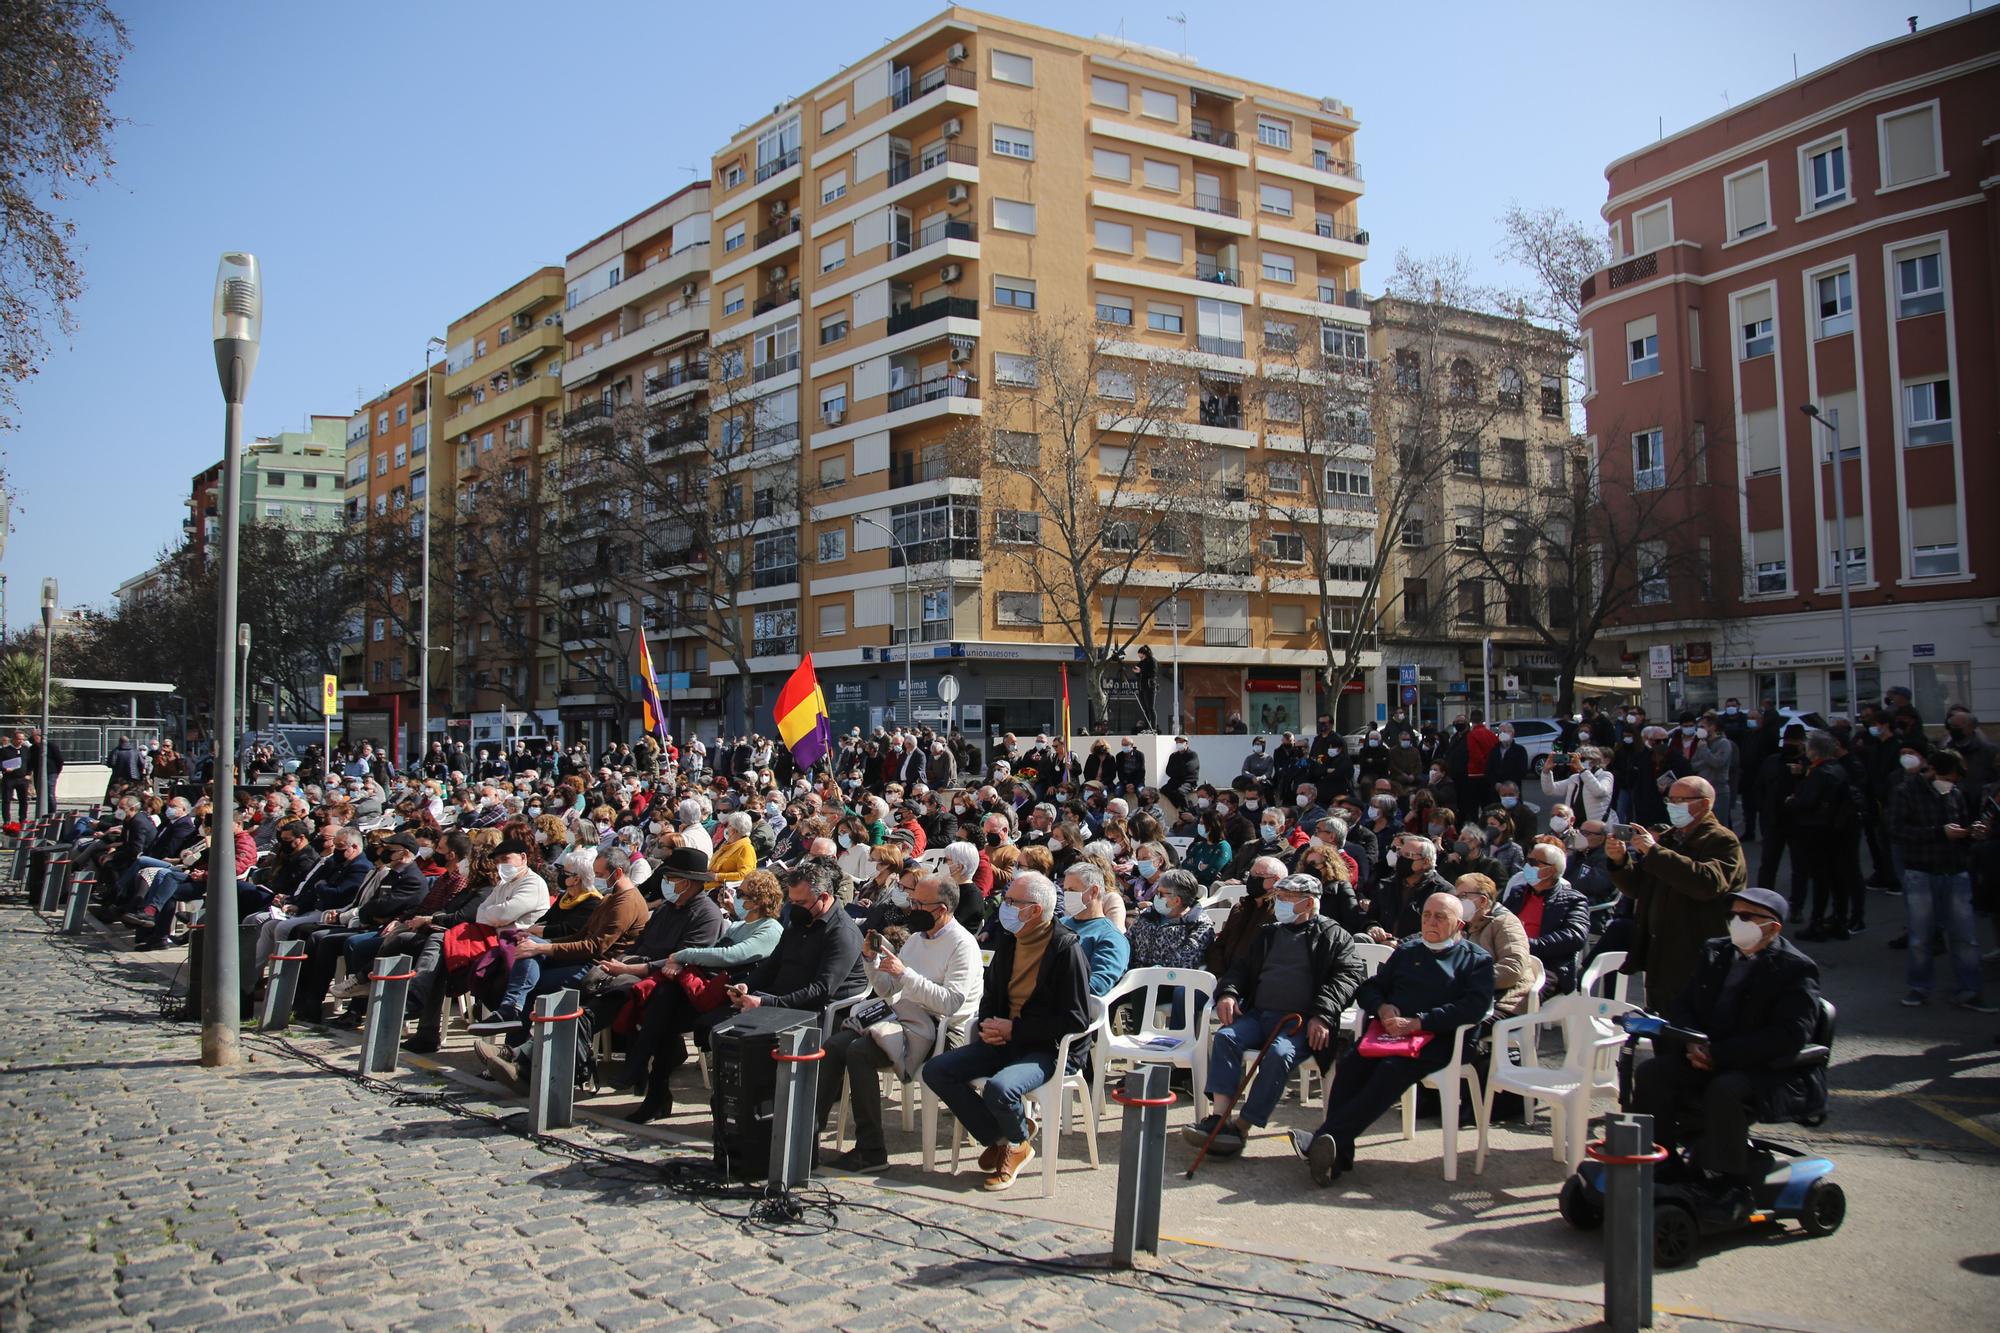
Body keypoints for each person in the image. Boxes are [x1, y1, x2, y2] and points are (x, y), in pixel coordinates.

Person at [1629, 888, 1825, 1205]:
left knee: (1726, 1089)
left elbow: (1790, 1035)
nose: (1736, 922)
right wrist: (1692, 1043)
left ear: (1772, 927)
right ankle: (1662, 1164)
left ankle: (1727, 1182)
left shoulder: (1795, 968)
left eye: (1746, 917)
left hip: (1762, 1067)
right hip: (1708, 1054)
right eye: (1733, 915)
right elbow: (1685, 1004)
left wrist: (1720, 1054)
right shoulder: (1715, 951)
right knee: (1653, 1073)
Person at [1306, 891, 1495, 1185]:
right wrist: (1382, 1008)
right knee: (1351, 1065)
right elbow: (1370, 987)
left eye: (1440, 917)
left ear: (1459, 925)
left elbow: (1474, 1007)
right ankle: (1335, 1156)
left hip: (1441, 1039)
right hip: (1392, 1033)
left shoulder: (1476, 960)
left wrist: (1420, 1022)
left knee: (1391, 1071)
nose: (1431, 922)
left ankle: (1324, 1140)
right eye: (1426, 916)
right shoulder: (1408, 951)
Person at [922, 872, 1090, 1192]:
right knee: (937, 1070)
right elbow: (992, 994)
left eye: (1012, 902)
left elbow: (1076, 1020)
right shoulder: (1011, 941)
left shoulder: (1066, 950)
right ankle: (1004, 1138)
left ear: (1035, 910)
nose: (1004, 907)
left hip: (1048, 1050)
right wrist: (989, 1025)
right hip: (1004, 1040)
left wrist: (1016, 1030)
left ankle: (1015, 1144)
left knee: (999, 1090)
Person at [1184, 873, 1364, 1156]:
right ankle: (1219, 1117)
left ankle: (1240, 1127)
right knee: (1226, 1038)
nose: (1279, 903)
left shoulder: (1333, 936)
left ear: (1308, 903)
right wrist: (1228, 993)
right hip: (1259, 1014)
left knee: (1279, 1055)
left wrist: (1323, 1014)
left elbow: (1348, 977)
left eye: (1287, 899)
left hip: (1300, 1021)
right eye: (1278, 897)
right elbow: (1240, 969)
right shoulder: (1268, 933)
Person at [820, 874, 983, 1171]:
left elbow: (950, 1003)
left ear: (941, 909)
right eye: (912, 901)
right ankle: (807, 1132)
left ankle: (871, 1150)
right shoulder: (917, 940)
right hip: (903, 1018)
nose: (912, 908)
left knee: (858, 1052)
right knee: (834, 1046)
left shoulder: (963, 944)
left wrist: (906, 974)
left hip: (941, 1030)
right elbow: (889, 990)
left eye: (919, 903)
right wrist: (871, 962)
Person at [1607, 776, 1745, 1007]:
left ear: (1704, 804)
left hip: (1695, 954)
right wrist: (1620, 861)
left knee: (1688, 1023)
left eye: (1681, 800)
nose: (1673, 805)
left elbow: (1707, 884)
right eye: (1670, 799)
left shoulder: (1722, 840)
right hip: (1660, 953)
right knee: (1661, 1021)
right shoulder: (1671, 838)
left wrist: (1655, 853)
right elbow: (1637, 887)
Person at [1888, 750, 1993, 1012]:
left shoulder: (1955, 794)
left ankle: (1970, 989)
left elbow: (1963, 827)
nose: (1951, 783)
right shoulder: (1906, 792)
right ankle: (1920, 987)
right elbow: (1896, 831)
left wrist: (1973, 832)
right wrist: (1940, 832)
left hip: (1954, 871)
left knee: (1965, 936)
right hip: (1921, 871)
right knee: (1921, 936)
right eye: (1948, 777)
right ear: (1932, 771)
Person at [1500, 844, 1592, 994]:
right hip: (1508, 959)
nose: (1527, 866)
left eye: (1534, 863)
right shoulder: (1518, 893)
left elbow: (1575, 936)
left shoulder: (1573, 900)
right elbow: (1499, 919)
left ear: (1551, 870)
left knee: (1507, 999)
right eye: (1528, 860)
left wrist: (1529, 945)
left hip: (1546, 968)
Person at [1454, 874, 1534, 1017]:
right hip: (1473, 994)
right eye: (1457, 897)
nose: (1458, 902)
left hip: (1506, 1000)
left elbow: (1512, 968)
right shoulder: (1464, 924)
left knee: (1454, 1024)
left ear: (1483, 900)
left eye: (1463, 896)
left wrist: (1468, 978)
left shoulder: (1505, 922)